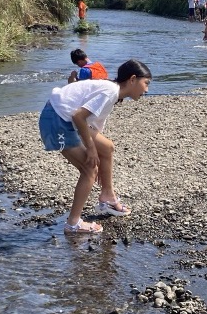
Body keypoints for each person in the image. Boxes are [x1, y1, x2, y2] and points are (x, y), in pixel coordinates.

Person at [39, 59, 152, 234]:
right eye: (146, 83)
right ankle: (73, 223)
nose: (147, 89)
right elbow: (78, 116)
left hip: (65, 117)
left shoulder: (113, 92)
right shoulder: (110, 91)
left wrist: (96, 148)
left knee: (107, 147)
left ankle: (108, 197)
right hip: (57, 120)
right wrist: (91, 149)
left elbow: (89, 122)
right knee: (90, 168)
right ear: (132, 79)